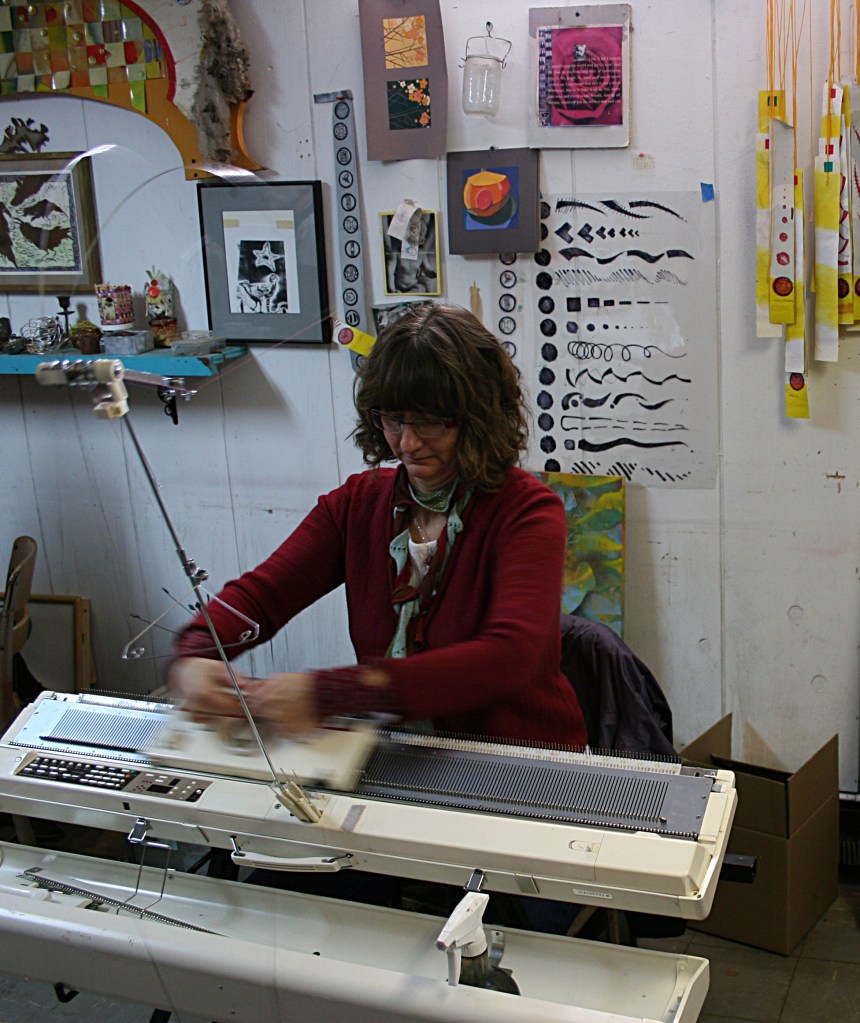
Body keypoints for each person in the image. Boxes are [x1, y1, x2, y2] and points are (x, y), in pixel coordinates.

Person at [170, 303, 587, 748]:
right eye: (393, 419)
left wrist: (329, 693)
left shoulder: (527, 513)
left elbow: (509, 659)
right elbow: (263, 596)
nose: (407, 443)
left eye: (429, 421)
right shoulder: (355, 506)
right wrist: (195, 654)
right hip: (404, 754)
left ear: (479, 416)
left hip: (522, 762)